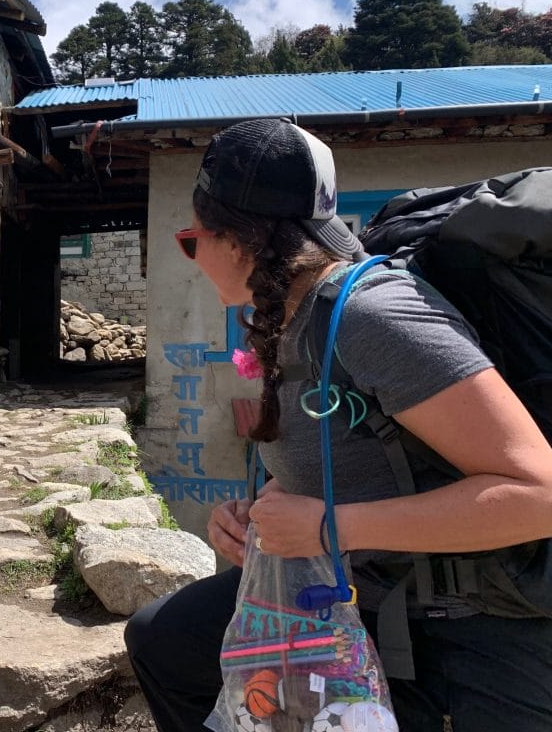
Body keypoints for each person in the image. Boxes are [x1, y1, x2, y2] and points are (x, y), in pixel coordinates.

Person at [124, 118, 552, 732]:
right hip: (358, 590)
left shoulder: (373, 317)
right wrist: (261, 513)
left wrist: (329, 527)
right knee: (164, 642)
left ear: (237, 244)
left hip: (464, 624)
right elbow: (358, 456)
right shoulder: (291, 316)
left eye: (192, 241)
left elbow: (539, 495)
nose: (193, 259)